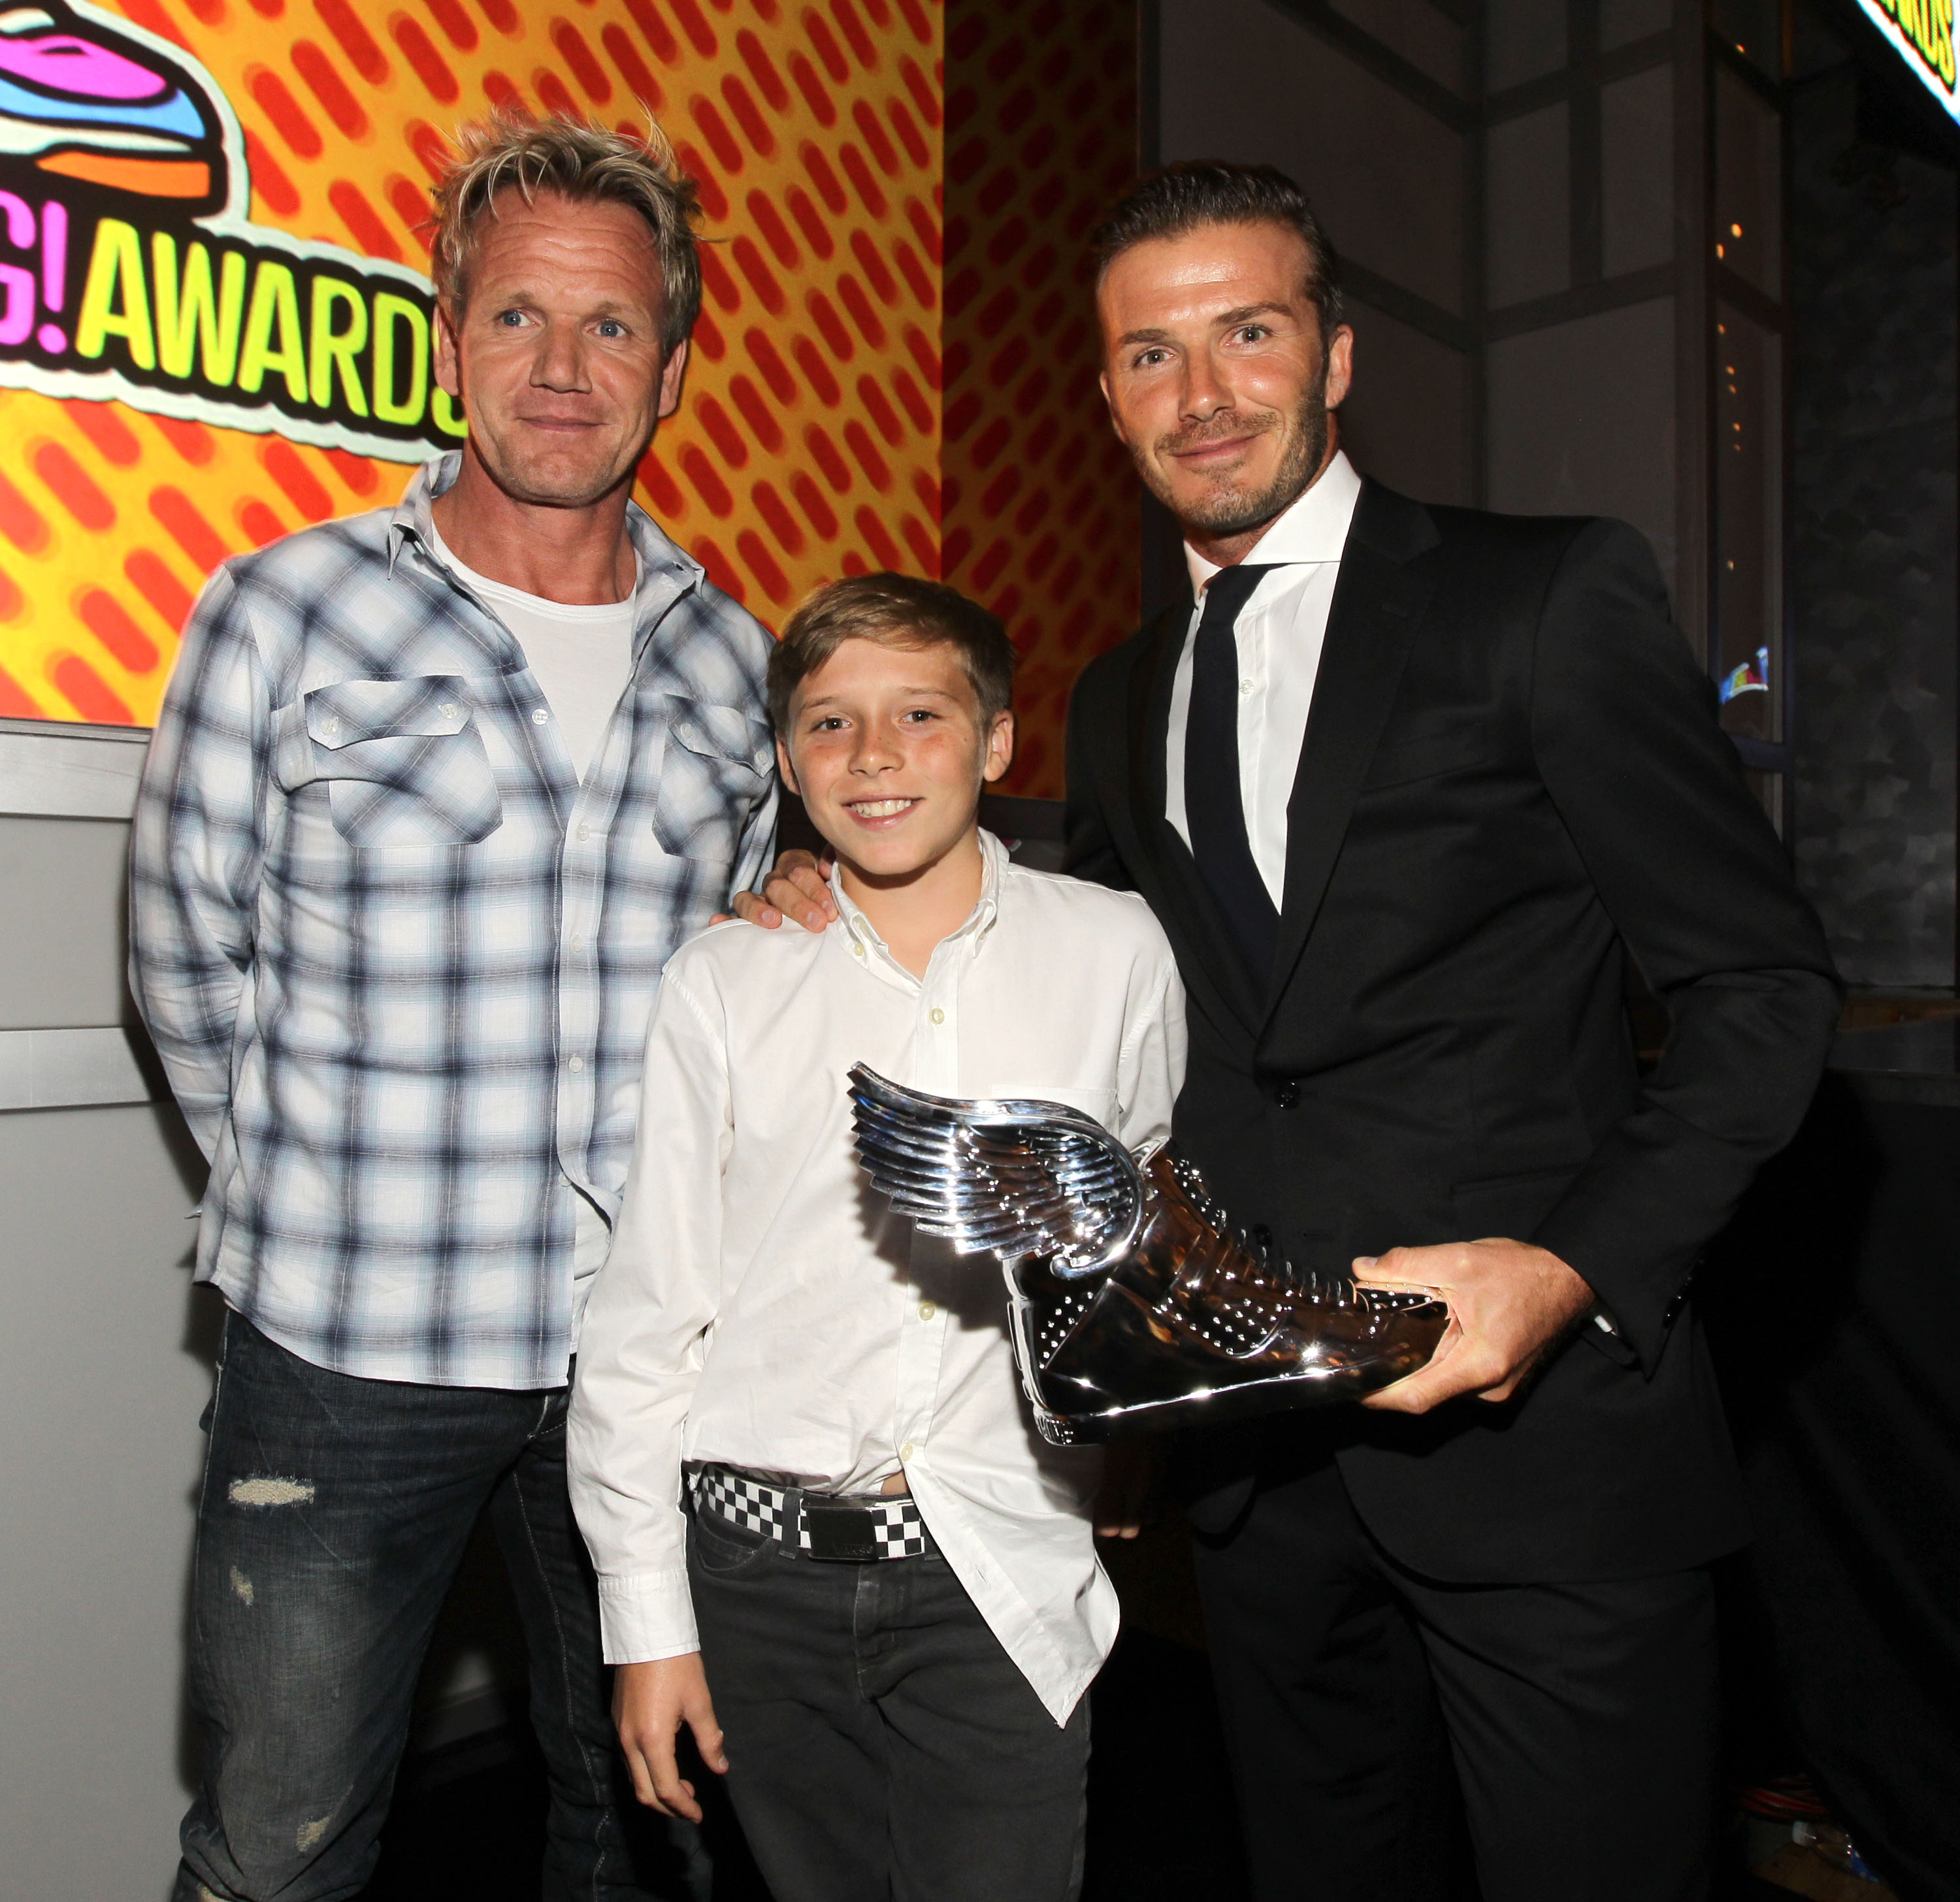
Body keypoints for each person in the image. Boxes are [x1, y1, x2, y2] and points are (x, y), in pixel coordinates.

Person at [743, 163, 1842, 1899]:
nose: (1205, 394)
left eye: (1248, 334)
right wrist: (826, 873)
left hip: (1543, 1461)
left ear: (1334, 356)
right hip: (1258, 1480)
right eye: (1153, 355)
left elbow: (1762, 993)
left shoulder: (1540, 598)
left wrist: (1568, 1274)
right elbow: (1073, 973)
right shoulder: (1116, 697)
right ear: (1107, 394)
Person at [130, 112, 777, 1902]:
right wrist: (312, 1190)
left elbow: (748, 979)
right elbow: (187, 965)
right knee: (281, 1848)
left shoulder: (736, 657)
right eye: (517, 319)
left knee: (654, 1826)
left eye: (613, 327)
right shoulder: (281, 611)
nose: (562, 371)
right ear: (447, 332)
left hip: (647, 1361)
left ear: (672, 360)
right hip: (345, 1347)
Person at [566, 573, 1186, 1902]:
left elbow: (1138, 1222)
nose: (877, 754)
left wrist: (1125, 1433)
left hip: (999, 1571)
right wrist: (647, 1623)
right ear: (787, 760)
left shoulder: (1117, 950)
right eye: (831, 724)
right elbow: (647, 1313)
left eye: (921, 712)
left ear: (999, 742)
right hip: (753, 1580)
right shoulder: (724, 978)